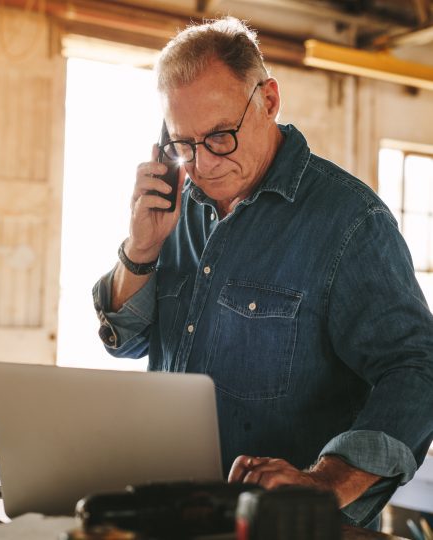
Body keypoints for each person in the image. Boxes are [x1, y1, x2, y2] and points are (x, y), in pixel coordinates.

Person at [92, 16, 433, 529]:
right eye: (182, 143)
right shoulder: (175, 207)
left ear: (269, 101)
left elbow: (416, 371)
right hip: (171, 512)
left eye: (220, 136)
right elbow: (126, 341)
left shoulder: (350, 222)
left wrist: (327, 481)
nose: (202, 164)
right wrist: (141, 248)